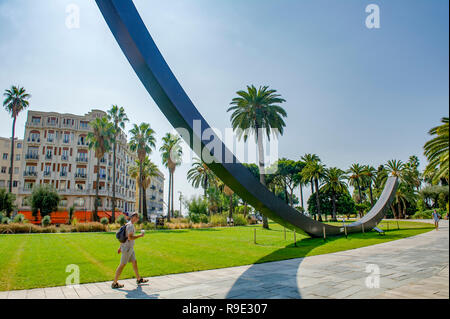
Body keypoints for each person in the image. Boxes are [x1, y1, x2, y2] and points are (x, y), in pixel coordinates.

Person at [112, 212, 148, 288]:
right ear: (134, 217)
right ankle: (114, 283)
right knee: (122, 265)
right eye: (137, 217)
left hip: (129, 248)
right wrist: (140, 236)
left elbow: (124, 237)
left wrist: (120, 247)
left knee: (134, 262)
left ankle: (138, 279)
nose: (138, 219)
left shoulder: (127, 224)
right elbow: (130, 237)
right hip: (127, 249)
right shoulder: (130, 226)